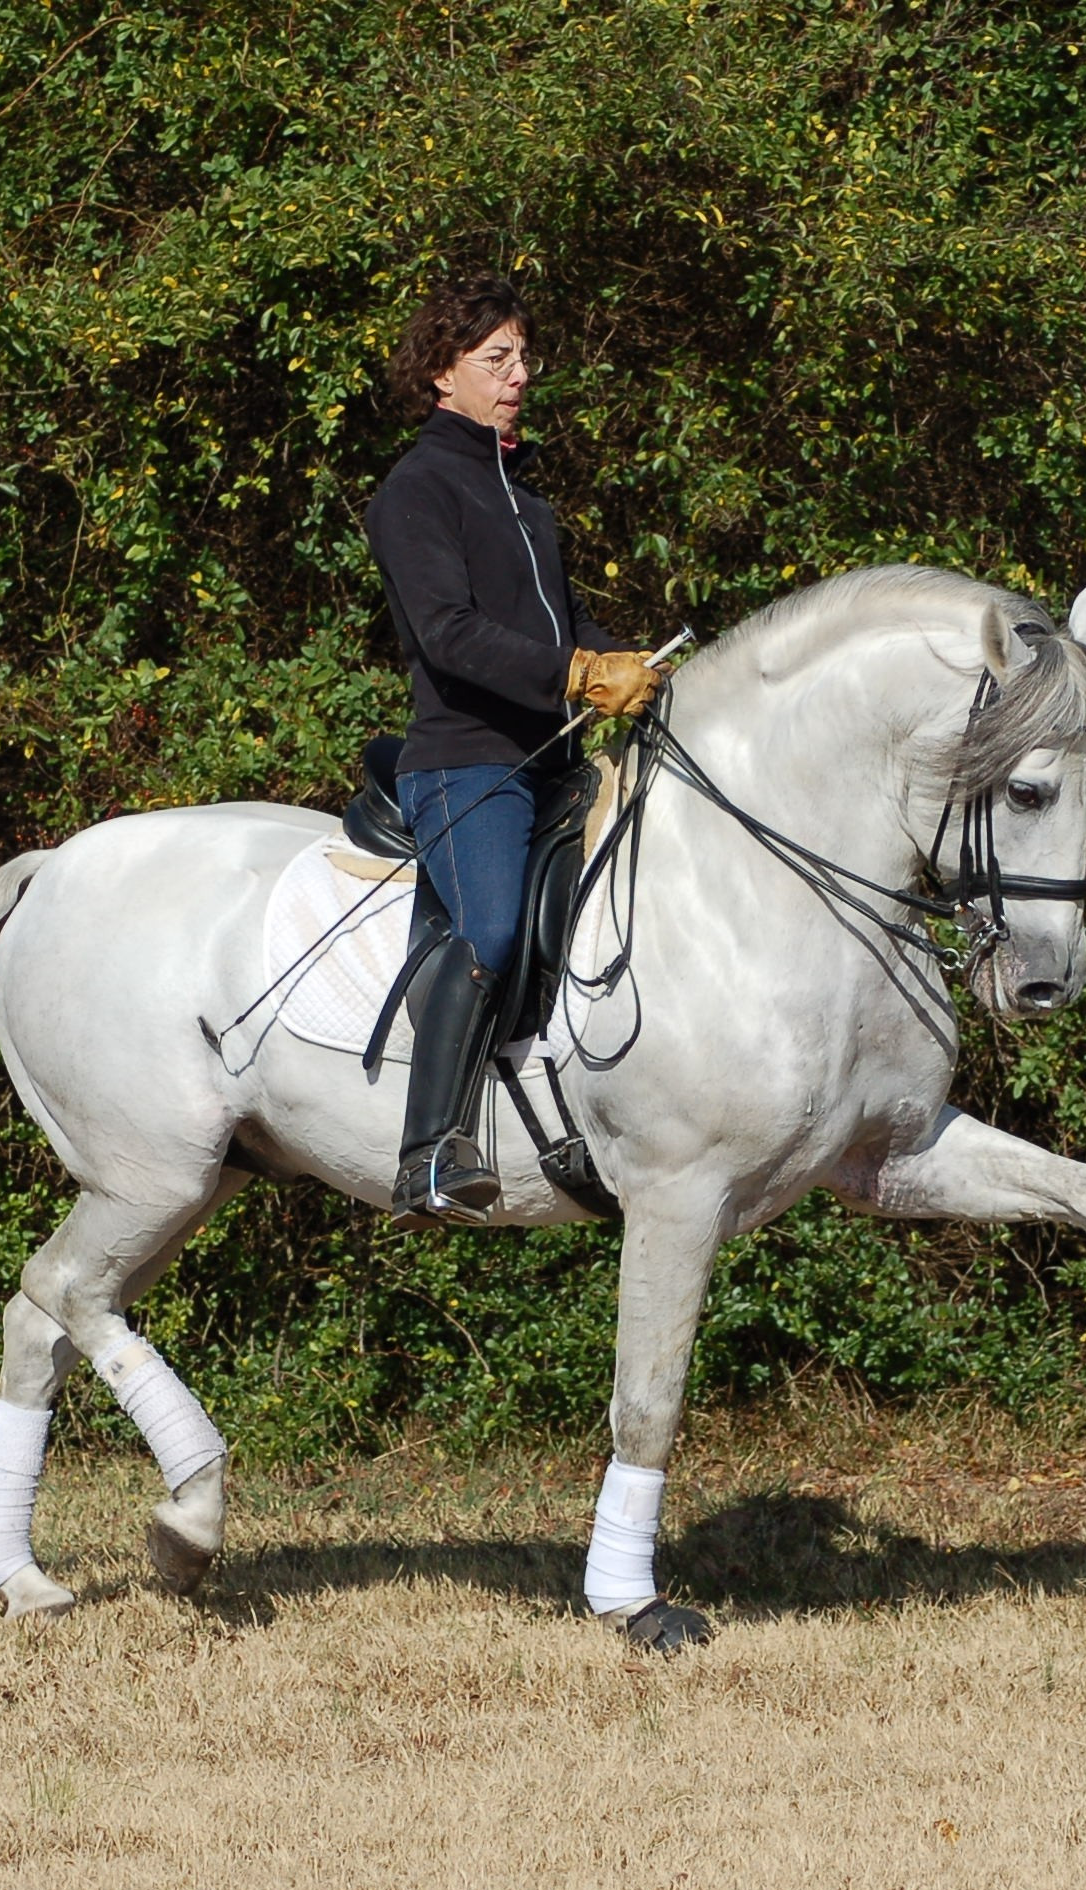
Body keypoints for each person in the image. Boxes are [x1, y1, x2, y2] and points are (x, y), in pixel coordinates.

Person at [365, 274, 660, 1221]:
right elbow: (448, 635)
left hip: (556, 763)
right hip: (466, 762)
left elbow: (569, 625)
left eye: (524, 358)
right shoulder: (415, 489)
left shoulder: (529, 504)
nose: (520, 375)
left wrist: (636, 666)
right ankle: (431, 1153)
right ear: (442, 374)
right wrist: (577, 676)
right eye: (498, 359)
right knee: (491, 928)